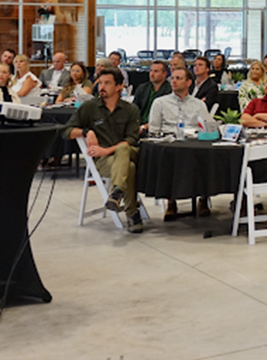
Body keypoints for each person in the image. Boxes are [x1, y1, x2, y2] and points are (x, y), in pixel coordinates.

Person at [64, 67, 143, 233]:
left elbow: (131, 139)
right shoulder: (90, 107)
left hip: (128, 153)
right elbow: (66, 131)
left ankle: (117, 194)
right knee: (128, 168)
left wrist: (106, 150)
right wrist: (86, 132)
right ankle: (131, 211)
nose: (102, 87)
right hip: (105, 162)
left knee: (123, 148)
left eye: (107, 83)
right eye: (100, 83)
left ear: (119, 86)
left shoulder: (131, 110)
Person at [149, 67, 215, 219]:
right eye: (172, 78)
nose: (174, 81)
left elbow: (207, 126)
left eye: (178, 78)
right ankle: (171, 202)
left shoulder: (199, 104)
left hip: (194, 143)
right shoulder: (160, 102)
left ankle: (204, 198)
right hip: (170, 142)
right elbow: (154, 130)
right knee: (168, 157)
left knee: (208, 155)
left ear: (188, 82)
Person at [131, 60, 171, 130]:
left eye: (156, 71)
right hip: (139, 124)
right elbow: (134, 108)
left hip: (158, 127)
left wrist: (143, 127)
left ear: (164, 73)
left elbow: (165, 117)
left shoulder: (169, 90)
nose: (152, 74)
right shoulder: (143, 88)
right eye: (151, 71)